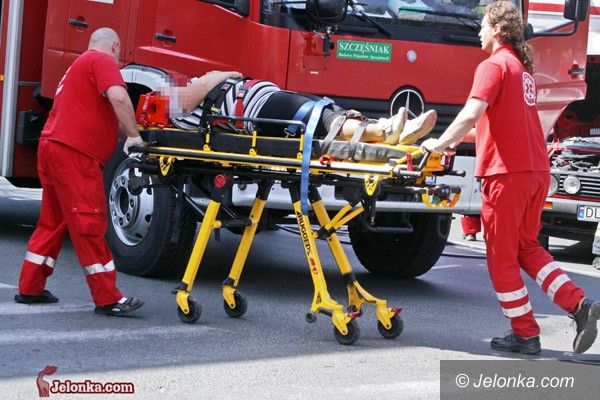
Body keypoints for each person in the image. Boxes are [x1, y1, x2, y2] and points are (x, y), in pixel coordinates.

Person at [420, 1, 599, 355]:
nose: (479, 31)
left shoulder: (492, 66)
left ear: (498, 30)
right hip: (535, 172)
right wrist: (455, 140)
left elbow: (472, 113)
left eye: (483, 25)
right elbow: (500, 125)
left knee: (501, 258)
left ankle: (525, 333)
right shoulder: (520, 69)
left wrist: (436, 143)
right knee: (527, 248)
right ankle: (579, 305)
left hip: (507, 176)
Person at [14, 28, 144, 316]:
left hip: (53, 148)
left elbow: (106, 114)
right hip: (75, 154)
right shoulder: (102, 60)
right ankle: (108, 298)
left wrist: (128, 134)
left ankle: (30, 287)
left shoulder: (78, 66)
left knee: (52, 222)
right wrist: (136, 136)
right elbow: (119, 99)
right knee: (89, 222)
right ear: (115, 46)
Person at [137, 71, 438, 148]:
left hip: (263, 99)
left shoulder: (181, 108)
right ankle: (384, 131)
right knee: (320, 118)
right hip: (257, 109)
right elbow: (206, 85)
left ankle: (390, 128)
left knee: (326, 109)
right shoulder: (177, 108)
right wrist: (217, 75)